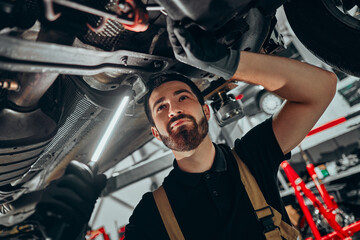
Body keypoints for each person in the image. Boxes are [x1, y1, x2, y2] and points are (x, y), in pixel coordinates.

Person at [34, 17, 337, 240]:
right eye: (161, 108)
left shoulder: (254, 156)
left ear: (205, 110)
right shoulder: (152, 214)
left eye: (182, 97)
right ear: (156, 133)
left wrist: (227, 62)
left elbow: (321, 88)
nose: (174, 108)